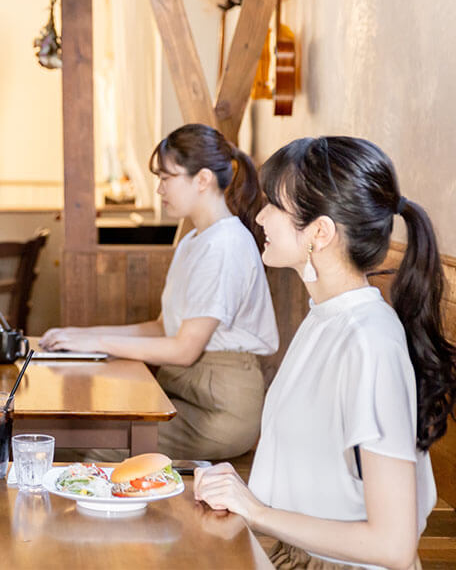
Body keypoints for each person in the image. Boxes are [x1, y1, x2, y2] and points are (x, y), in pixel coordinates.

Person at [194, 136, 456, 569]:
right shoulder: (327, 316)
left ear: (320, 232)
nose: (259, 217)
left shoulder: (369, 341)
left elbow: (392, 546)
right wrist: (240, 497)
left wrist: (256, 511)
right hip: (288, 553)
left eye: (273, 205)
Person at [40, 123, 278, 461]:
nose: (159, 189)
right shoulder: (195, 241)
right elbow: (161, 327)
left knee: (95, 443)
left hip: (218, 411)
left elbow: (183, 349)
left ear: (203, 179)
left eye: (167, 178)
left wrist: (96, 344)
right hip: (186, 391)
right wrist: (80, 335)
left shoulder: (225, 244)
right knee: (87, 427)